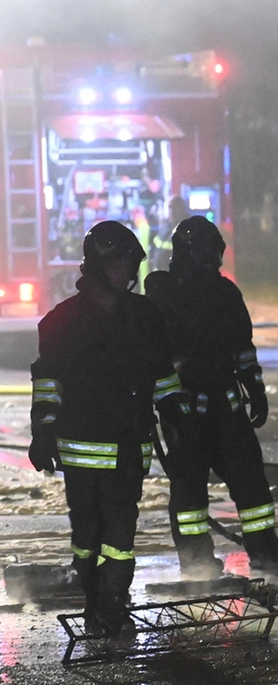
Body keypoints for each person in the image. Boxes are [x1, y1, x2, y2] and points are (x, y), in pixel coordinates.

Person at [28, 221, 188, 636]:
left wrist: (176, 414)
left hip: (130, 446)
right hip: (81, 448)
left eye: (133, 264)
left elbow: (161, 373)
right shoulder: (61, 322)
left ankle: (112, 603)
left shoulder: (146, 316)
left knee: (120, 534)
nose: (130, 273)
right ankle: (94, 600)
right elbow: (49, 382)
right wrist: (43, 431)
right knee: (87, 534)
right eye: (121, 264)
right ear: (99, 265)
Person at [144, 216, 278, 577]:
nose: (210, 260)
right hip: (183, 410)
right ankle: (197, 562)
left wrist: (254, 388)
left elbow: (243, 347)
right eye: (203, 252)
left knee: (251, 482)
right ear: (185, 253)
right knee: (189, 490)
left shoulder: (226, 293)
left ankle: (264, 551)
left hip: (227, 407)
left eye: (214, 252)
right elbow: (154, 351)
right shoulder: (162, 290)